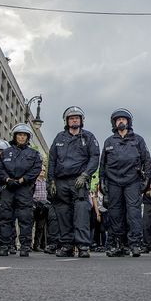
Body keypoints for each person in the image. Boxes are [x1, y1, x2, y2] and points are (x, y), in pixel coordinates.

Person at [48, 106, 100, 258]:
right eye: (71, 118)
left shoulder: (88, 137)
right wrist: (50, 181)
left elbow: (95, 157)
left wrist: (85, 175)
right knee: (63, 214)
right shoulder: (59, 138)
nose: (74, 120)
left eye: (77, 118)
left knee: (81, 214)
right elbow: (52, 160)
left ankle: (83, 246)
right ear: (66, 121)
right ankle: (67, 245)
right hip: (61, 182)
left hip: (79, 182)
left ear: (82, 120)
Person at [100, 108, 151, 258]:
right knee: (115, 213)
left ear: (128, 122)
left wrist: (147, 179)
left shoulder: (138, 140)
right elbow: (102, 164)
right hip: (113, 181)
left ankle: (135, 244)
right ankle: (117, 244)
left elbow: (146, 160)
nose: (121, 121)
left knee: (134, 213)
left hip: (132, 181)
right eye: (118, 119)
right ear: (114, 123)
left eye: (123, 119)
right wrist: (102, 181)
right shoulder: (109, 141)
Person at [0, 124, 43, 257]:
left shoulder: (34, 154)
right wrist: (7, 180)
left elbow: (36, 169)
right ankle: (4, 245)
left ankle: (25, 246)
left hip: (24, 190)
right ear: (15, 136)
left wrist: (23, 180)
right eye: (19, 135)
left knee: (25, 219)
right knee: (5, 218)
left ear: (28, 137)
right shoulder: (5, 152)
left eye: (24, 135)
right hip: (8, 189)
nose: (22, 137)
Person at [32, 168, 49, 252]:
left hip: (44, 206)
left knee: (40, 227)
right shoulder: (34, 181)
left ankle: (37, 245)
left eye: (44, 170)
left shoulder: (46, 182)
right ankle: (27, 244)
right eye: (41, 169)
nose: (42, 171)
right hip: (34, 204)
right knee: (30, 225)